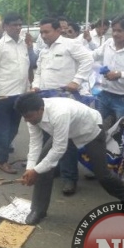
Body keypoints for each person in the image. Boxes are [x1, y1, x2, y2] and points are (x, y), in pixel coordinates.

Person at [15, 93, 124, 225]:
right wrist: (31, 169)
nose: (27, 120)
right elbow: (35, 143)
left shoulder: (59, 113)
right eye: (24, 117)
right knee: (42, 166)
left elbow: (59, 149)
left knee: (102, 174)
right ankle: (38, 210)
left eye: (29, 117)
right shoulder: (31, 115)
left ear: (40, 110)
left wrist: (35, 171)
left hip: (89, 130)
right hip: (64, 132)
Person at [32, 17, 93, 195]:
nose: (43, 36)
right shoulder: (44, 50)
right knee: (46, 138)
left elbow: (88, 60)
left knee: (65, 140)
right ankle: (52, 170)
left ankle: (69, 178)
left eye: (46, 32)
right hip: (45, 100)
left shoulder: (70, 45)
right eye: (41, 32)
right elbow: (39, 71)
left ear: (58, 30)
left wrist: (77, 80)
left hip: (65, 99)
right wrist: (35, 85)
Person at [0, 13, 31, 174]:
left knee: (14, 129)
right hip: (2, 95)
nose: (18, 27)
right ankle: (2, 160)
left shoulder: (23, 44)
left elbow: (28, 67)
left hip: (20, 94)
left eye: (20, 24)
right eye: (14, 25)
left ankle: (0, 151)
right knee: (3, 130)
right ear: (5, 26)